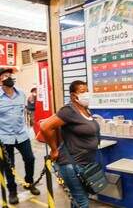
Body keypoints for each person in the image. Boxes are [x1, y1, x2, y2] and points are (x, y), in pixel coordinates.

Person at [40, 80, 100, 208]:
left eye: (87, 91)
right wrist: (54, 150)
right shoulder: (68, 111)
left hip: (85, 163)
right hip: (71, 164)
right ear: (73, 96)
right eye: (83, 92)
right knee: (82, 202)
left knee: (78, 199)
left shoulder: (85, 110)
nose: (87, 94)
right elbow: (45, 127)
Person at [0, 68, 40, 205]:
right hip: (4, 137)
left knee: (30, 158)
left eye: (10, 75)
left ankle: (29, 182)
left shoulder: (21, 94)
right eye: (6, 75)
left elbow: (24, 112)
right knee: (8, 166)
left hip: (21, 134)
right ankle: (12, 191)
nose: (9, 77)